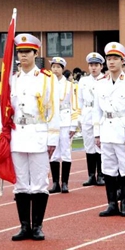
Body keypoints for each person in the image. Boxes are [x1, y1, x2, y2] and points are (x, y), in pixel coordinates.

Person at [8, 33, 60, 241]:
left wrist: (52, 139)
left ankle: (37, 226)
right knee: (21, 183)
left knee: (38, 183)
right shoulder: (13, 79)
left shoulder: (47, 79)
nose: (23, 56)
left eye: (27, 52)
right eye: (20, 52)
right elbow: (5, 109)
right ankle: (24, 226)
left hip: (38, 133)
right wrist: (1, 137)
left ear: (35, 53)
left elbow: (53, 109)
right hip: (18, 135)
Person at [93, 42, 125, 217]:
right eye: (109, 58)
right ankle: (112, 203)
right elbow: (96, 110)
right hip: (106, 128)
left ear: (123, 61)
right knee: (108, 168)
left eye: (115, 59)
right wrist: (96, 133)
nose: (111, 62)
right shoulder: (100, 83)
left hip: (123, 129)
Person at [48, 57, 78, 194]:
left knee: (66, 152)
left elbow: (74, 105)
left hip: (65, 120)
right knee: (53, 153)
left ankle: (65, 183)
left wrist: (73, 125)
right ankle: (55, 183)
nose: (55, 70)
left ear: (62, 69)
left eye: (58, 67)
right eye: (53, 67)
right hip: (52, 121)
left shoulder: (70, 85)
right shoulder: (47, 84)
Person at [78, 52, 106, 186]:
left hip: (100, 114)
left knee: (100, 145)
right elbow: (80, 100)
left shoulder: (106, 79)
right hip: (87, 113)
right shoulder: (83, 81)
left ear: (101, 66)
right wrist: (79, 116)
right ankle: (91, 175)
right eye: (91, 65)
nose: (93, 68)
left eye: (96, 65)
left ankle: (101, 175)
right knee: (89, 146)